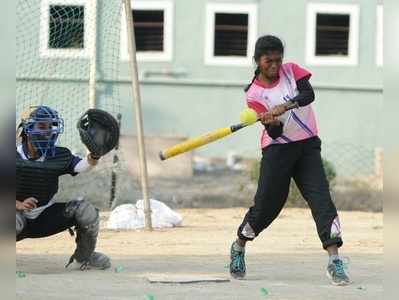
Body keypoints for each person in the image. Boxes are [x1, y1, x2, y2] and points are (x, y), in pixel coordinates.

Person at [229, 35, 350, 285]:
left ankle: (334, 261)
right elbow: (274, 133)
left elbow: (308, 95)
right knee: (267, 207)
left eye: (277, 60)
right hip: (277, 151)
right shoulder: (254, 94)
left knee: (321, 200)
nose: (274, 65)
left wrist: (284, 108)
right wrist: (271, 123)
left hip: (307, 146)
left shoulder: (291, 71)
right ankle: (239, 244)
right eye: (268, 61)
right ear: (257, 61)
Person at [16, 105, 111, 270]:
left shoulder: (58, 155)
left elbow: (81, 166)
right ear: (27, 128)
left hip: (44, 216)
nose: (48, 131)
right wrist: (18, 204)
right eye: (41, 126)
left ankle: (84, 257)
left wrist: (94, 155)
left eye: (51, 126)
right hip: (16, 215)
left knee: (86, 211)